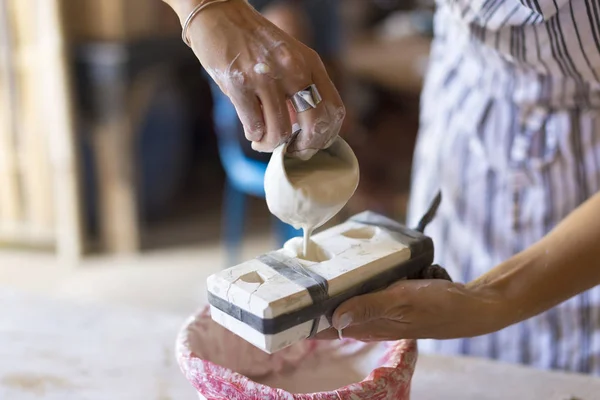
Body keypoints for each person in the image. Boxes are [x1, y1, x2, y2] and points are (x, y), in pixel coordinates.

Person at [163, 0, 600, 374]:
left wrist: (495, 299)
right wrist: (209, 11)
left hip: (586, 169)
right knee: (456, 367)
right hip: (473, 114)